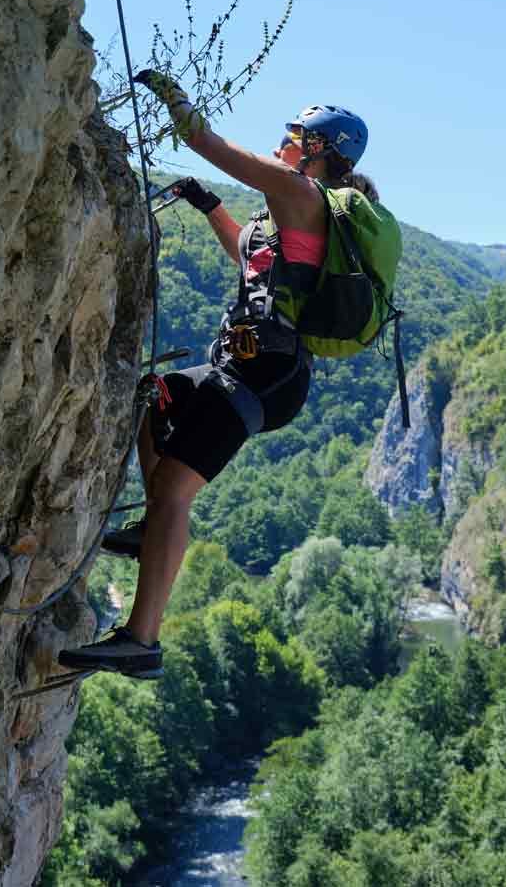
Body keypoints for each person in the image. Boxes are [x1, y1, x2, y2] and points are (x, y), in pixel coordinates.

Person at [59, 71, 372, 679]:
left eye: (295, 132)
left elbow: (210, 143)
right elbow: (250, 261)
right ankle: (155, 523)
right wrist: (212, 209)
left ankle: (142, 639)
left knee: (176, 488)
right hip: (249, 365)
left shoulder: (299, 193)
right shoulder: (291, 210)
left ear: (319, 151)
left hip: (266, 375)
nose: (284, 138)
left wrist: (174, 99)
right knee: (159, 396)